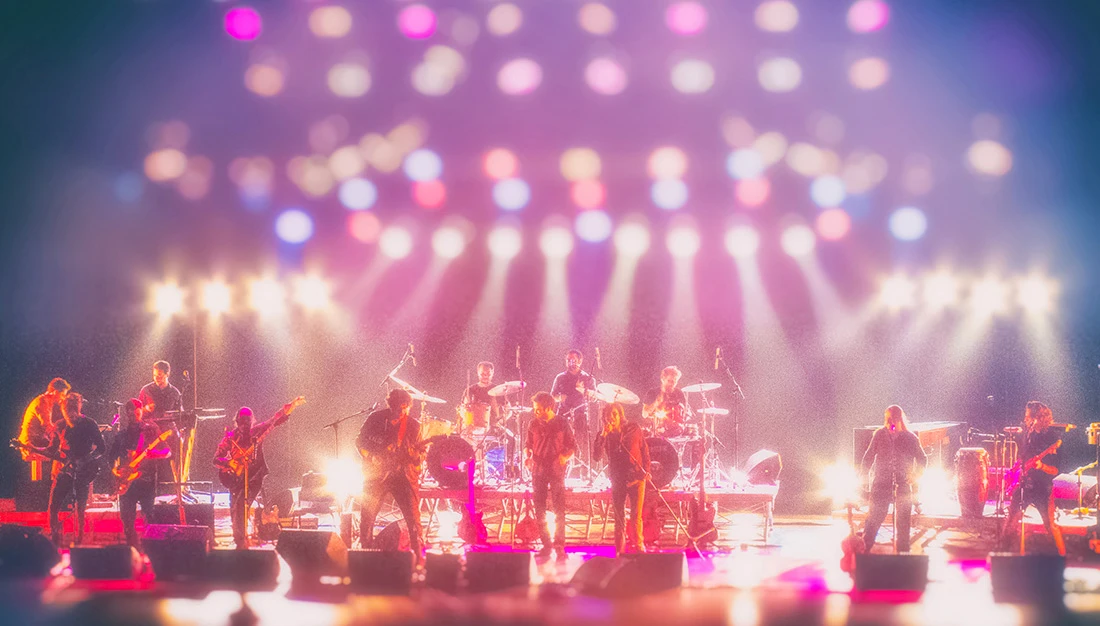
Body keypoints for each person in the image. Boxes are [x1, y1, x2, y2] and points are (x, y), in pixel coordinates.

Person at [214, 396, 305, 549]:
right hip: (235, 478)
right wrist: (230, 463)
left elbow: (274, 420)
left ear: (252, 421)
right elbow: (216, 459)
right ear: (236, 422)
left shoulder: (257, 432)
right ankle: (239, 541)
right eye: (241, 422)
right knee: (234, 508)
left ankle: (243, 542)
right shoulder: (230, 438)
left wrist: (291, 406)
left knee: (242, 505)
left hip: (254, 477)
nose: (244, 426)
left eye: (247, 422)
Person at [357, 388, 425, 563]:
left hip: (402, 476)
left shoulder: (413, 425)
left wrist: (416, 456)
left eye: (405, 408)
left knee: (413, 519)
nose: (401, 412)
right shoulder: (375, 419)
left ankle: (419, 559)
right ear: (390, 406)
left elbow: (420, 456)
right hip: (376, 475)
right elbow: (360, 442)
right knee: (367, 516)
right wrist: (371, 457)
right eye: (398, 408)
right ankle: (365, 555)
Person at [29, 393, 106, 547]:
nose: (70, 415)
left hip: (84, 471)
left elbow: (102, 448)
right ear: (63, 410)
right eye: (67, 411)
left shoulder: (89, 424)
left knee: (80, 507)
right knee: (53, 505)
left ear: (78, 408)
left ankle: (80, 542)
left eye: (73, 411)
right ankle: (54, 541)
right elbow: (52, 450)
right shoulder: (59, 425)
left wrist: (85, 460)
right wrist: (34, 449)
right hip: (64, 470)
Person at [999, 401, 1065, 556]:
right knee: (1010, 523)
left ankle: (1062, 559)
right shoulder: (1028, 434)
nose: (1025, 419)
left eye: (1028, 416)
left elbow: (1055, 470)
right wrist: (1014, 470)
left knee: (1050, 526)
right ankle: (1001, 558)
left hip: (1042, 488)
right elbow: (1023, 458)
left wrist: (1041, 466)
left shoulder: (1053, 438)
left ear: (1038, 418)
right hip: (1023, 484)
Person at [859, 405, 927, 553]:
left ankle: (903, 555)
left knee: (903, 523)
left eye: (894, 419)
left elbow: (923, 458)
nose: (891, 423)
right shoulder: (879, 435)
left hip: (902, 484)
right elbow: (868, 457)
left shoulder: (910, 437)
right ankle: (864, 551)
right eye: (889, 419)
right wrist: (864, 478)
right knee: (874, 519)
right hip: (881, 483)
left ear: (900, 419)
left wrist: (915, 475)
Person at [110, 399, 172, 549]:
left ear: (141, 412)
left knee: (149, 517)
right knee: (127, 520)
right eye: (130, 413)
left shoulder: (150, 430)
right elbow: (112, 457)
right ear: (126, 414)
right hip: (126, 481)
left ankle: (151, 550)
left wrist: (152, 454)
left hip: (146, 479)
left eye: (136, 412)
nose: (133, 415)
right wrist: (116, 470)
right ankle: (133, 551)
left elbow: (167, 452)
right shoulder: (121, 434)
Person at [592, 402, 649, 555]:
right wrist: (603, 435)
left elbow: (644, 449)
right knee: (619, 516)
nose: (612, 419)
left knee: (636, 515)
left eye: (614, 415)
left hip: (636, 477)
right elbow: (596, 456)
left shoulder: (633, 428)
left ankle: (638, 546)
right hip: (618, 478)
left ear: (620, 415)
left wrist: (646, 472)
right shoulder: (604, 434)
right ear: (604, 418)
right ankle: (620, 549)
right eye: (608, 417)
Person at [525, 391, 577, 559]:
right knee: (539, 509)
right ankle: (546, 544)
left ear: (548, 407)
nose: (535, 412)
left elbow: (572, 446)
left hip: (556, 470)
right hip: (538, 470)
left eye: (538, 409)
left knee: (558, 508)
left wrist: (564, 457)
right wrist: (527, 456)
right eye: (535, 409)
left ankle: (559, 544)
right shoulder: (533, 424)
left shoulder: (562, 423)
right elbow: (528, 445)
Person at [137, 361, 187, 483]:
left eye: (160, 375)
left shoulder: (175, 392)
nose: (157, 378)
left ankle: (178, 485)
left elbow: (181, 414)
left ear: (167, 374)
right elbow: (137, 411)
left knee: (179, 451)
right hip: (150, 429)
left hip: (168, 429)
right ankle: (145, 484)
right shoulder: (146, 390)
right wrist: (146, 409)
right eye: (155, 375)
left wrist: (182, 429)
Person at [550, 350, 596, 470]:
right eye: (568, 360)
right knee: (558, 441)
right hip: (563, 414)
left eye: (573, 360)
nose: (570, 363)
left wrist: (584, 391)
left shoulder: (588, 378)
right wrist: (560, 397)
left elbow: (594, 398)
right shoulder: (560, 377)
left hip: (580, 414)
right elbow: (552, 397)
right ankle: (559, 468)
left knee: (582, 441)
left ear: (580, 361)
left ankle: (584, 470)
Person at [18, 378, 71, 463]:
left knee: (62, 454)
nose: (63, 398)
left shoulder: (46, 402)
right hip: (31, 446)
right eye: (62, 394)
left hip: (35, 443)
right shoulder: (42, 402)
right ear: (55, 391)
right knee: (63, 457)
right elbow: (47, 426)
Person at [642, 366, 688, 437]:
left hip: (676, 431)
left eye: (674, 382)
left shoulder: (679, 393)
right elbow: (644, 414)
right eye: (669, 381)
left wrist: (684, 417)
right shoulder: (652, 392)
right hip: (656, 431)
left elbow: (686, 413)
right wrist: (656, 403)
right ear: (662, 379)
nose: (671, 384)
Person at [459, 361, 501, 435]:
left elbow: (508, 409)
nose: (485, 376)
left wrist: (500, 421)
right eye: (482, 374)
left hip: (492, 430)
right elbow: (462, 409)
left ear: (492, 373)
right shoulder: (470, 390)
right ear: (478, 373)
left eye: (488, 374)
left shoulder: (498, 390)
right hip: (472, 429)